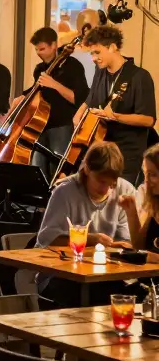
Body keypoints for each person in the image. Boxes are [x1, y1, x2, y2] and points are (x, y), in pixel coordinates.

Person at [36, 141, 135, 305]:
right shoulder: (64, 192)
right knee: (86, 293)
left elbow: (128, 240)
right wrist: (90, 239)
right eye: (101, 181)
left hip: (107, 273)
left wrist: (122, 245)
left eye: (111, 183)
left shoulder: (126, 191)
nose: (106, 189)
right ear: (87, 169)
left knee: (129, 293)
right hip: (62, 274)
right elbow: (47, 239)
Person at [76, 24, 157, 183]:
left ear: (112, 47)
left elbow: (148, 119)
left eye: (97, 52)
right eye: (91, 53)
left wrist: (115, 116)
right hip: (102, 148)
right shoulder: (100, 72)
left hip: (127, 152)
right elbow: (91, 97)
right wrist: (79, 113)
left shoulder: (139, 77)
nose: (93, 58)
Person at [19, 27, 88, 178]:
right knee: (37, 171)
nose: (39, 53)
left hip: (62, 125)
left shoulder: (73, 66)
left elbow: (79, 98)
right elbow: (36, 91)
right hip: (39, 126)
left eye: (42, 49)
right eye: (37, 49)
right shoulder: (40, 69)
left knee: (58, 171)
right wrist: (22, 97)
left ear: (54, 45)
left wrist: (54, 84)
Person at [122, 144, 159, 252]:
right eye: (145, 173)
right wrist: (131, 212)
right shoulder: (151, 199)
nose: (146, 180)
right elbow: (139, 246)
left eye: (152, 174)